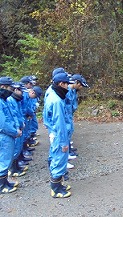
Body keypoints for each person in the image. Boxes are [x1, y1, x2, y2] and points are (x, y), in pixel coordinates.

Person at [43, 69, 72, 197]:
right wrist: (64, 143)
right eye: (66, 84)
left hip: (55, 134)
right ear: (61, 84)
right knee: (59, 160)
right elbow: (60, 124)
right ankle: (56, 189)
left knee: (57, 158)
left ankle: (59, 184)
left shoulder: (53, 95)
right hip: (59, 136)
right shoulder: (57, 101)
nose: (68, 87)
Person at [0, 76, 21, 194]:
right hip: (4, 136)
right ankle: (1, 186)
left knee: (6, 159)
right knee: (4, 160)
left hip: (8, 135)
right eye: (9, 88)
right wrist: (14, 132)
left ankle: (5, 182)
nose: (11, 90)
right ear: (3, 87)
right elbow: (3, 123)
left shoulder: (4, 100)